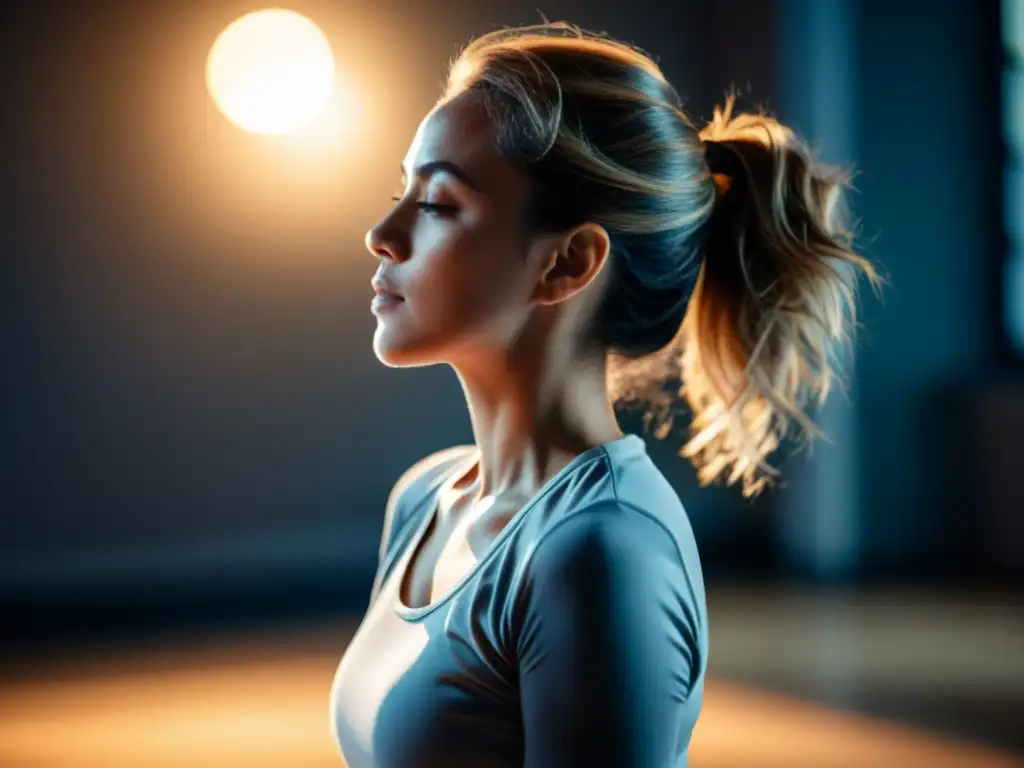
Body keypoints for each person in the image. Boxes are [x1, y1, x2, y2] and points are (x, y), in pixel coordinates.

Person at [330, 21, 879, 768]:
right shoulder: (425, 500)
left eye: (437, 204)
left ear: (568, 262)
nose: (381, 234)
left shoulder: (599, 552)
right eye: (403, 192)